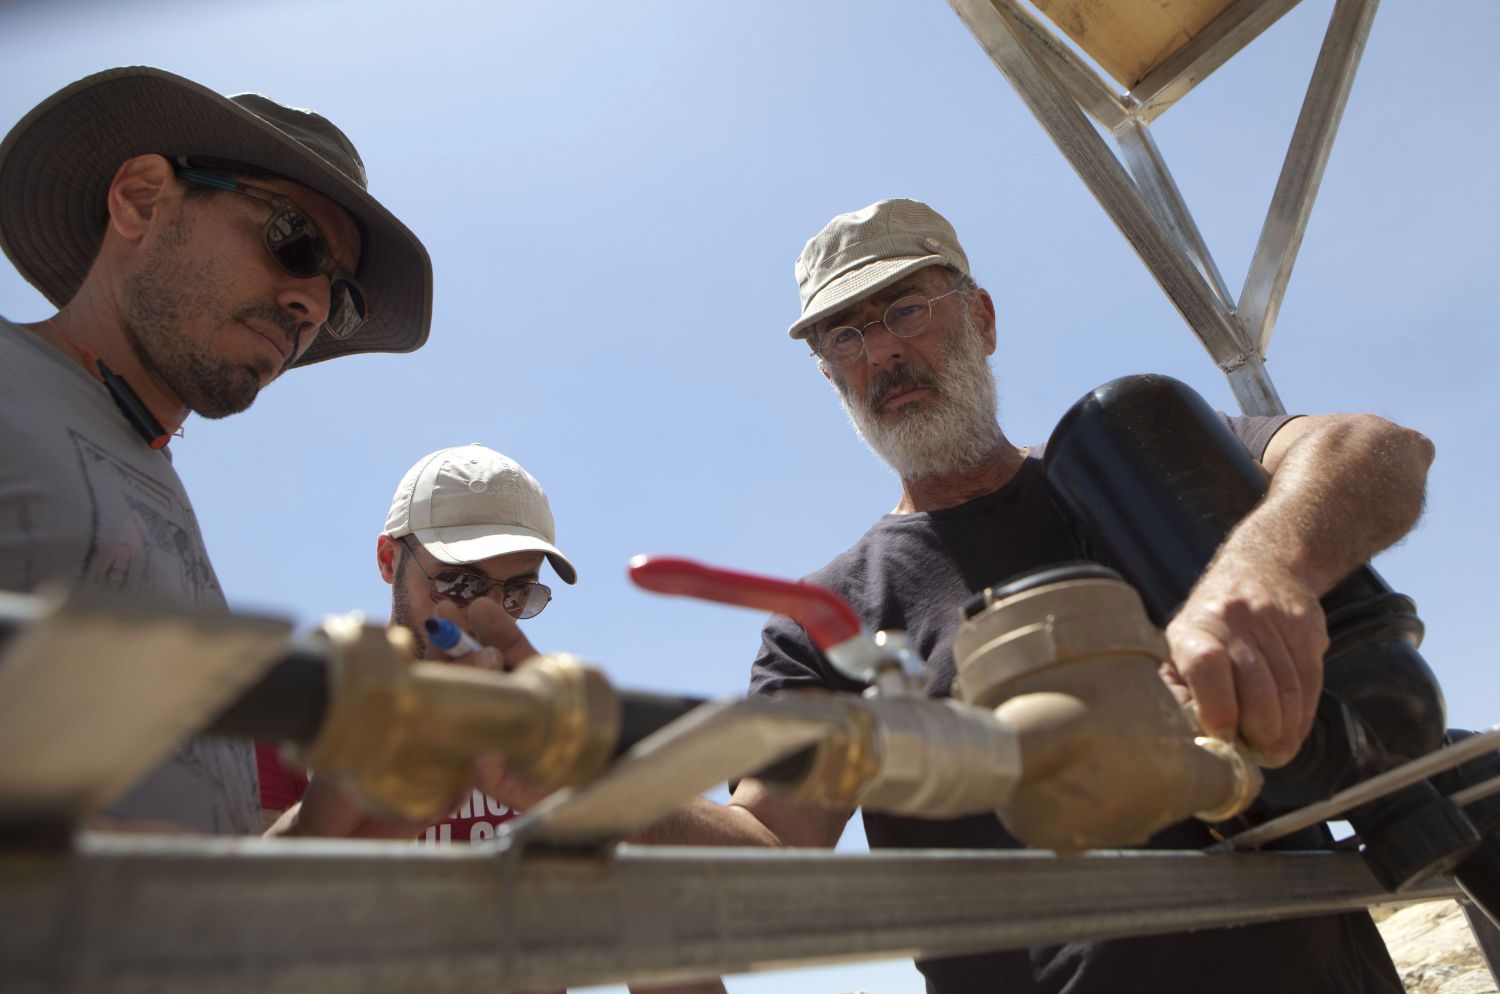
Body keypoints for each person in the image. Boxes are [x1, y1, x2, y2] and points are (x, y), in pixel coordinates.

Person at [644, 199, 1434, 993]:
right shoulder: (826, 619)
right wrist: (565, 774)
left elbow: (1376, 451)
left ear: (981, 318)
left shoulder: (1132, 463)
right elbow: (770, 846)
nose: (881, 350)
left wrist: (1262, 569)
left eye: (905, 308)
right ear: (829, 374)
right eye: (844, 336)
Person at [0, 67, 433, 835]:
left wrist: (332, 813)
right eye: (292, 238)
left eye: (341, 296)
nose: (311, 306)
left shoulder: (156, 486)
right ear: (142, 199)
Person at [259, 443, 577, 841]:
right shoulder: (299, 710)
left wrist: (587, 802)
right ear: (389, 560)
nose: (488, 614)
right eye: (459, 582)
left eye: (517, 593)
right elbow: (231, 893)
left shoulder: (555, 731)